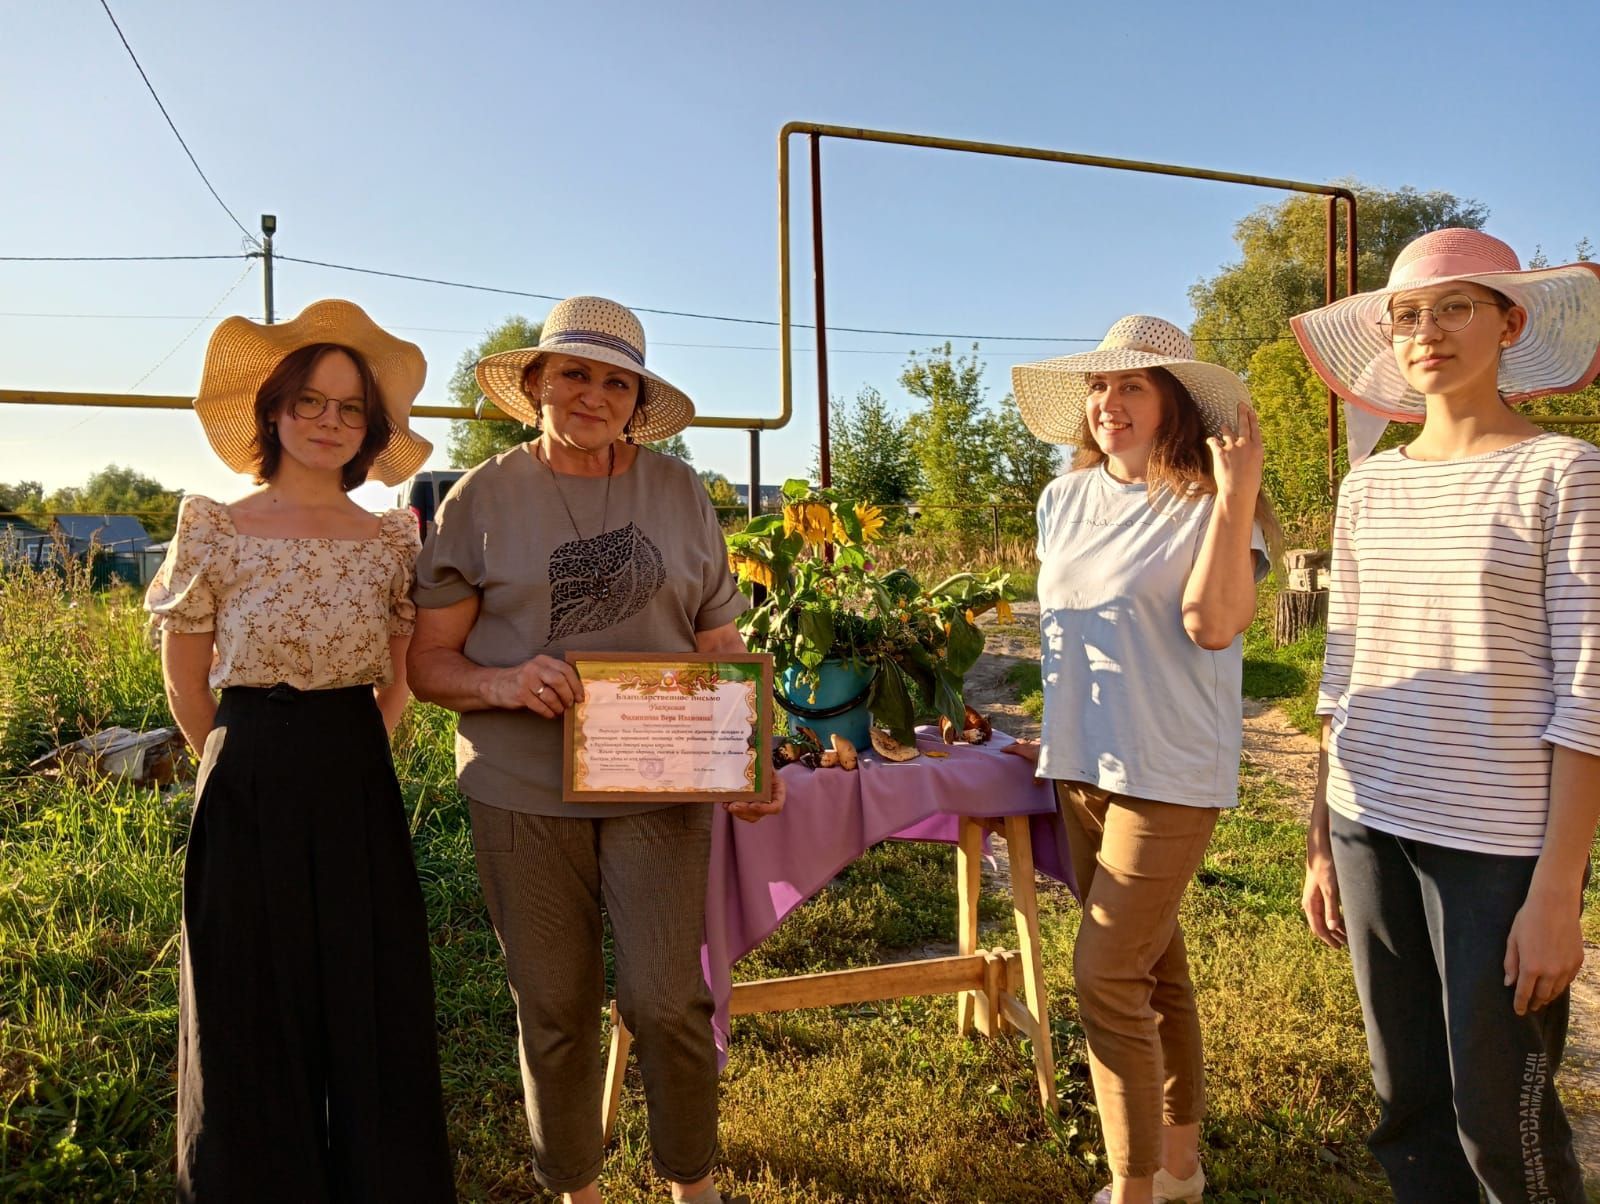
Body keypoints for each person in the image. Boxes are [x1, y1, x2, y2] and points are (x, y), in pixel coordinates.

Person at [406, 295, 783, 1204]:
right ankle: (573, 1184)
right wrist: (501, 682)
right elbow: (427, 663)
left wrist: (750, 752)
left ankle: (693, 1183)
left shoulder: (680, 491)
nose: (592, 394)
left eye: (617, 381)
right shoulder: (482, 497)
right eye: (573, 372)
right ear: (534, 382)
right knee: (557, 1008)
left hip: (660, 781)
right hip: (520, 787)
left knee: (667, 1000)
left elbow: (720, 643)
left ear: (637, 401)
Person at [1293, 228, 1600, 1201]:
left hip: (1497, 849)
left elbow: (1587, 692)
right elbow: (1341, 672)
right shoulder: (1367, 485)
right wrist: (1316, 832)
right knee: (1410, 1107)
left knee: (1497, 1122)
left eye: (1456, 306)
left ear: (1510, 322)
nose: (1427, 331)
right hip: (1365, 825)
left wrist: (1558, 888)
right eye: (1408, 313)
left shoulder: (1564, 473)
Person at [145, 300, 455, 1201]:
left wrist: (353, 753)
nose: (328, 421)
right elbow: (185, 682)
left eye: (349, 408)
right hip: (243, 772)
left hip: (355, 770)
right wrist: (244, 764)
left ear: (371, 428)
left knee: (370, 991)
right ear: (273, 411)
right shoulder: (215, 526)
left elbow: (398, 675)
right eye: (310, 402)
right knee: (247, 1002)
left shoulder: (392, 539)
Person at [1003, 315, 1277, 1204]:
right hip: (1082, 761)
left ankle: (1131, 1187)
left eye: (1132, 386)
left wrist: (1238, 497)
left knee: (1106, 975)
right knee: (1157, 970)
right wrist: (1060, 719)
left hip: (1171, 769)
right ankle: (1182, 1169)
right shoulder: (1062, 499)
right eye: (1098, 387)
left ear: (1174, 406)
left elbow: (1211, 624)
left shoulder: (1215, 500)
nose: (1108, 403)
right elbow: (1066, 627)